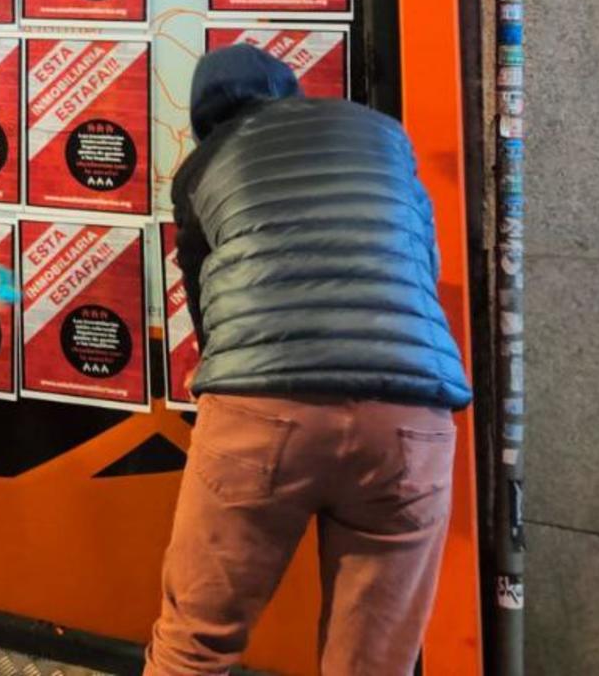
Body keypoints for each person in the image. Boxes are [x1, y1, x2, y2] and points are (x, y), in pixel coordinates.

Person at [144, 45, 473, 676]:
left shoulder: (205, 165)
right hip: (410, 414)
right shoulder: (383, 136)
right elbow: (420, 260)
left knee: (195, 644)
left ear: (206, 120)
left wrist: (215, 371)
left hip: (264, 411)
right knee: (375, 663)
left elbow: (204, 292)